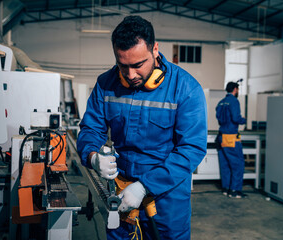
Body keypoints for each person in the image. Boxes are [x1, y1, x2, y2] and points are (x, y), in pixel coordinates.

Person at [77, 15, 207, 239]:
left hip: (167, 200)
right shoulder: (106, 83)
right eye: (122, 65)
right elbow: (91, 128)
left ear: (155, 49)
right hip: (120, 193)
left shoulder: (185, 88)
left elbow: (191, 149)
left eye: (138, 65)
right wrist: (92, 157)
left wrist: (144, 187)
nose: (130, 75)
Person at [215, 81, 247, 198]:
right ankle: (234, 191)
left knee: (225, 164)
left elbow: (219, 119)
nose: (238, 92)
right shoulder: (234, 101)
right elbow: (235, 118)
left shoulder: (221, 102)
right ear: (235, 89)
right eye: (238, 89)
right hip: (231, 137)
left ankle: (226, 188)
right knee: (238, 164)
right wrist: (243, 120)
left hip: (221, 136)